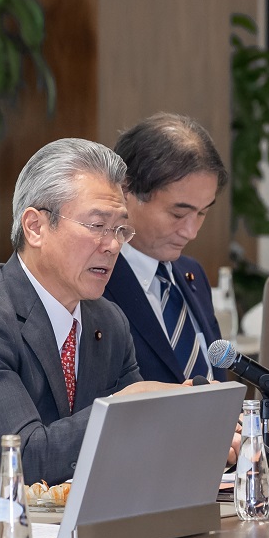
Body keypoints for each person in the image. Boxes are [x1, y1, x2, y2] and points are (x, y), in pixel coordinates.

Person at [0, 138, 174, 484]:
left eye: (120, 229)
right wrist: (120, 409)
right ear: (35, 227)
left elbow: (134, 439)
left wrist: (186, 425)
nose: (113, 245)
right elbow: (21, 463)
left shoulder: (108, 321)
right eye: (97, 226)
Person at [105, 113, 228, 383]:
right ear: (126, 191)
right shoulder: (96, 278)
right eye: (178, 214)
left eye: (202, 213)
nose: (191, 232)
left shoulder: (192, 273)